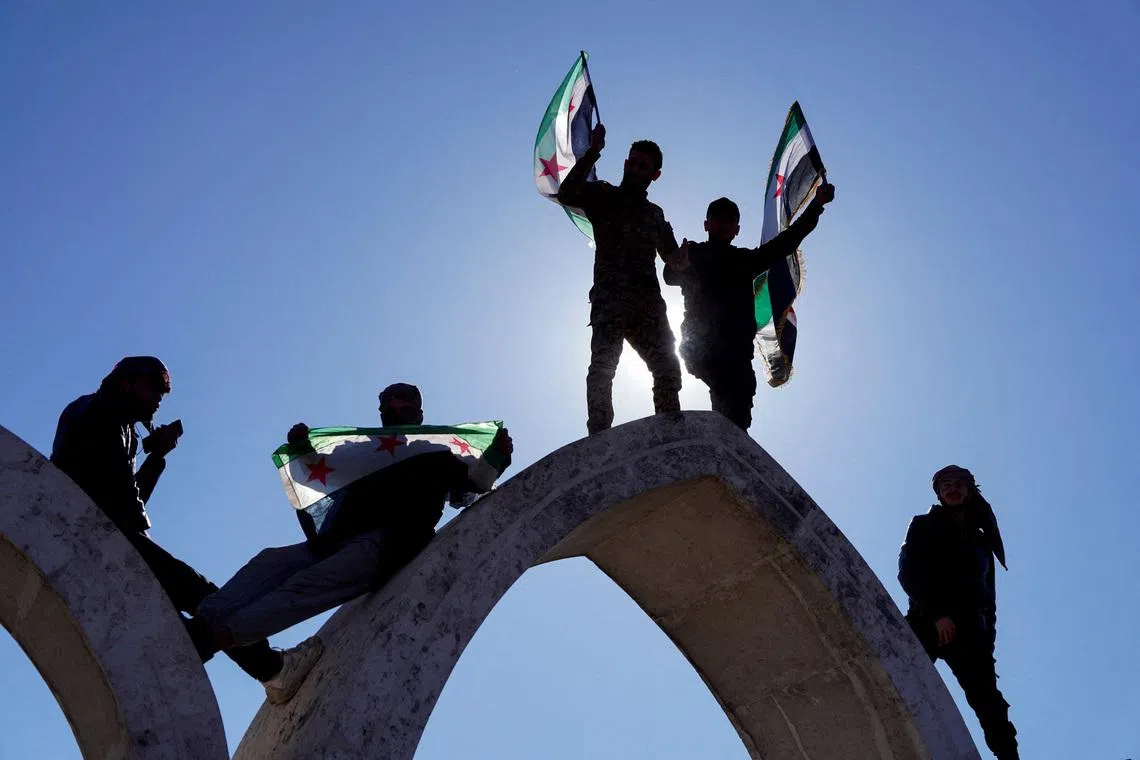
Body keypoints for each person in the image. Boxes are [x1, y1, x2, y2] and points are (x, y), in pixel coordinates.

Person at [188, 382, 513, 689]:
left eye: (404, 405)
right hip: (333, 540)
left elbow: (471, 486)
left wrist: (496, 457)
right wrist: (303, 449)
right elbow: (319, 468)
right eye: (389, 405)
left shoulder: (435, 453)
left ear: (418, 414)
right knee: (269, 562)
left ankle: (216, 638)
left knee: (306, 586)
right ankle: (202, 625)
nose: (396, 410)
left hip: (386, 544)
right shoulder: (363, 452)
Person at [50, 356, 316, 704]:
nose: (159, 401)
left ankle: (256, 666)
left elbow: (128, 501)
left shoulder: (113, 420)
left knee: (192, 605)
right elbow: (127, 509)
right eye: (154, 390)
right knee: (207, 597)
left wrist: (156, 457)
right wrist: (154, 461)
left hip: (101, 538)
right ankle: (271, 669)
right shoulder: (105, 417)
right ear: (127, 383)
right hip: (102, 539)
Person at [662, 186, 834, 430]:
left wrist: (816, 206)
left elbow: (785, 243)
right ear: (706, 224)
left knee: (738, 414)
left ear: (736, 230)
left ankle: (725, 444)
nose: (723, 225)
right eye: (717, 220)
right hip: (702, 346)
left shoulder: (744, 260)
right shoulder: (695, 253)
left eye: (729, 221)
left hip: (736, 352)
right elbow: (670, 276)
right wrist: (676, 263)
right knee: (725, 389)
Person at [556, 123, 687, 435]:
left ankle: (669, 431)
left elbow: (672, 267)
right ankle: (599, 433)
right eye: (632, 162)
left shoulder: (655, 214)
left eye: (644, 166)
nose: (635, 168)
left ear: (654, 175)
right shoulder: (603, 194)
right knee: (603, 366)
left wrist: (681, 262)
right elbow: (567, 193)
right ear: (625, 162)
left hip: (648, 306)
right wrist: (592, 153)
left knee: (668, 369)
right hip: (610, 297)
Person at [898, 465, 1018, 760]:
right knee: (896, 677)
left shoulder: (980, 541)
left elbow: (988, 598)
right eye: (946, 485)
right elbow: (908, 573)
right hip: (928, 621)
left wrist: (986, 641)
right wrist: (937, 614)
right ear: (938, 492)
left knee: (991, 705)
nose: (953, 489)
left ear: (968, 491)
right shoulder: (923, 524)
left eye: (959, 485)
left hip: (971, 633)